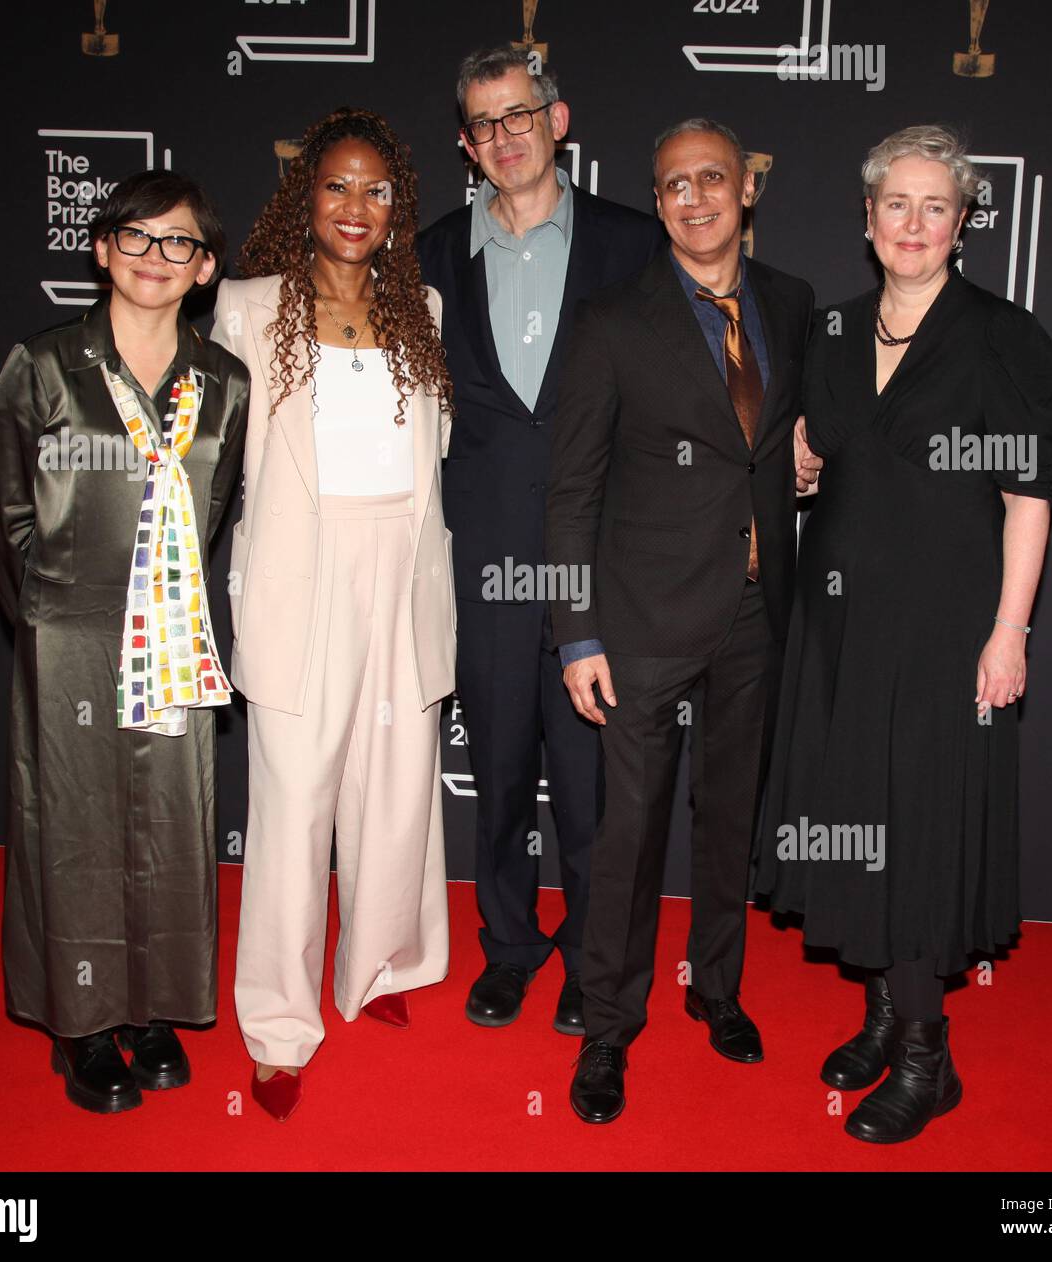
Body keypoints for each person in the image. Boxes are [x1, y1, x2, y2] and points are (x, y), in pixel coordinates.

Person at [752, 124, 1052, 1143]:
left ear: (964, 222)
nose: (914, 224)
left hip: (943, 630)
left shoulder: (1002, 337)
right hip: (838, 626)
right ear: (868, 215)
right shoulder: (832, 332)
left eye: (937, 206)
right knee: (857, 819)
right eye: (897, 203)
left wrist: (1007, 631)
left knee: (919, 831)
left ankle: (930, 1055)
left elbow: (1027, 498)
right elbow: (820, 451)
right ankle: (886, 1011)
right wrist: (798, 461)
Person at [545, 119, 819, 1123]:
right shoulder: (613, 319)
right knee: (629, 831)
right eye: (671, 186)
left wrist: (803, 452)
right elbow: (570, 488)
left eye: (711, 178)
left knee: (729, 819)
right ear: (656, 203)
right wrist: (576, 630)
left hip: (756, 608)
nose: (693, 197)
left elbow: (788, 429)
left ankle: (717, 985)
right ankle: (609, 1026)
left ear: (746, 189)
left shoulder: (790, 303)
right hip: (641, 617)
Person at [0, 170, 250, 1113]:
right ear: (101, 249)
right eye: (135, 236)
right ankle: (84, 1026)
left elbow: (212, 512)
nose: (155, 257)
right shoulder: (44, 366)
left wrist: (159, 605)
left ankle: (154, 1011)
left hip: (171, 627)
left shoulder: (225, 384)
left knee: (174, 826)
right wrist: (50, 619)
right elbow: (1, 510)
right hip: (71, 636)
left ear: (205, 268)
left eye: (179, 243)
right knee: (78, 832)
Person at [213, 107, 456, 1123]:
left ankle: (378, 963)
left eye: (376, 190)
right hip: (295, 579)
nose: (355, 207)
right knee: (293, 808)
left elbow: (431, 465)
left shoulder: (424, 310)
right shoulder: (244, 306)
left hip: (401, 568)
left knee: (397, 790)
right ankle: (277, 1022)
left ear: (397, 206)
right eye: (336, 187)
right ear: (304, 198)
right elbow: (223, 469)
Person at [417, 47, 662, 1034]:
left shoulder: (633, 245)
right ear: (466, 144)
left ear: (558, 120)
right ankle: (511, 948)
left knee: (593, 786)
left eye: (522, 114)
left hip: (597, 568)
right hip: (478, 561)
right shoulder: (427, 255)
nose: (506, 136)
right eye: (485, 123)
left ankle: (594, 961)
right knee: (503, 773)